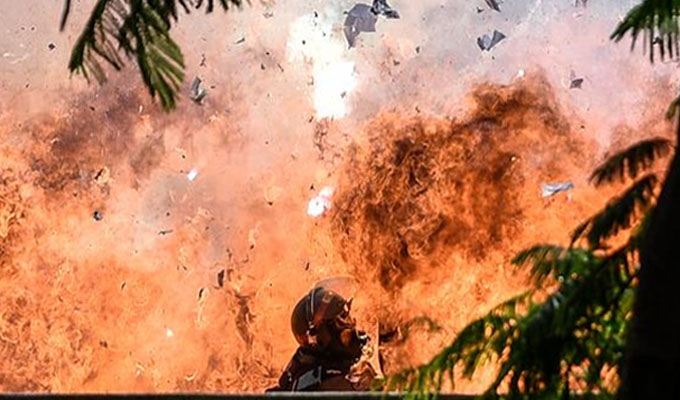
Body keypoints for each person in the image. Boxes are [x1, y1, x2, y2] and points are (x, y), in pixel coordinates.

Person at [266, 281, 376, 391]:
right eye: (341, 320)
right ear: (322, 337)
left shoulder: (315, 364)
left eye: (346, 315)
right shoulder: (327, 384)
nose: (351, 327)